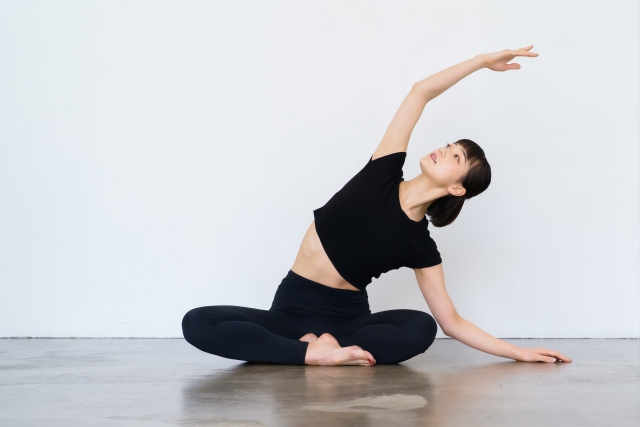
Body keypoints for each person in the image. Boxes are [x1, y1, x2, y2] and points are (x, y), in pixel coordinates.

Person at [182, 45, 572, 366]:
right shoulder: (383, 170)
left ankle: (316, 350)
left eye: (455, 157)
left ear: (457, 188)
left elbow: (450, 322)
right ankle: (313, 354)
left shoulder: (420, 245)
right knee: (198, 322)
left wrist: (518, 352)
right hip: (291, 311)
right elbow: (420, 92)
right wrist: (481, 62)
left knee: (420, 327)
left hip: (347, 320)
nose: (443, 150)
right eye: (449, 145)